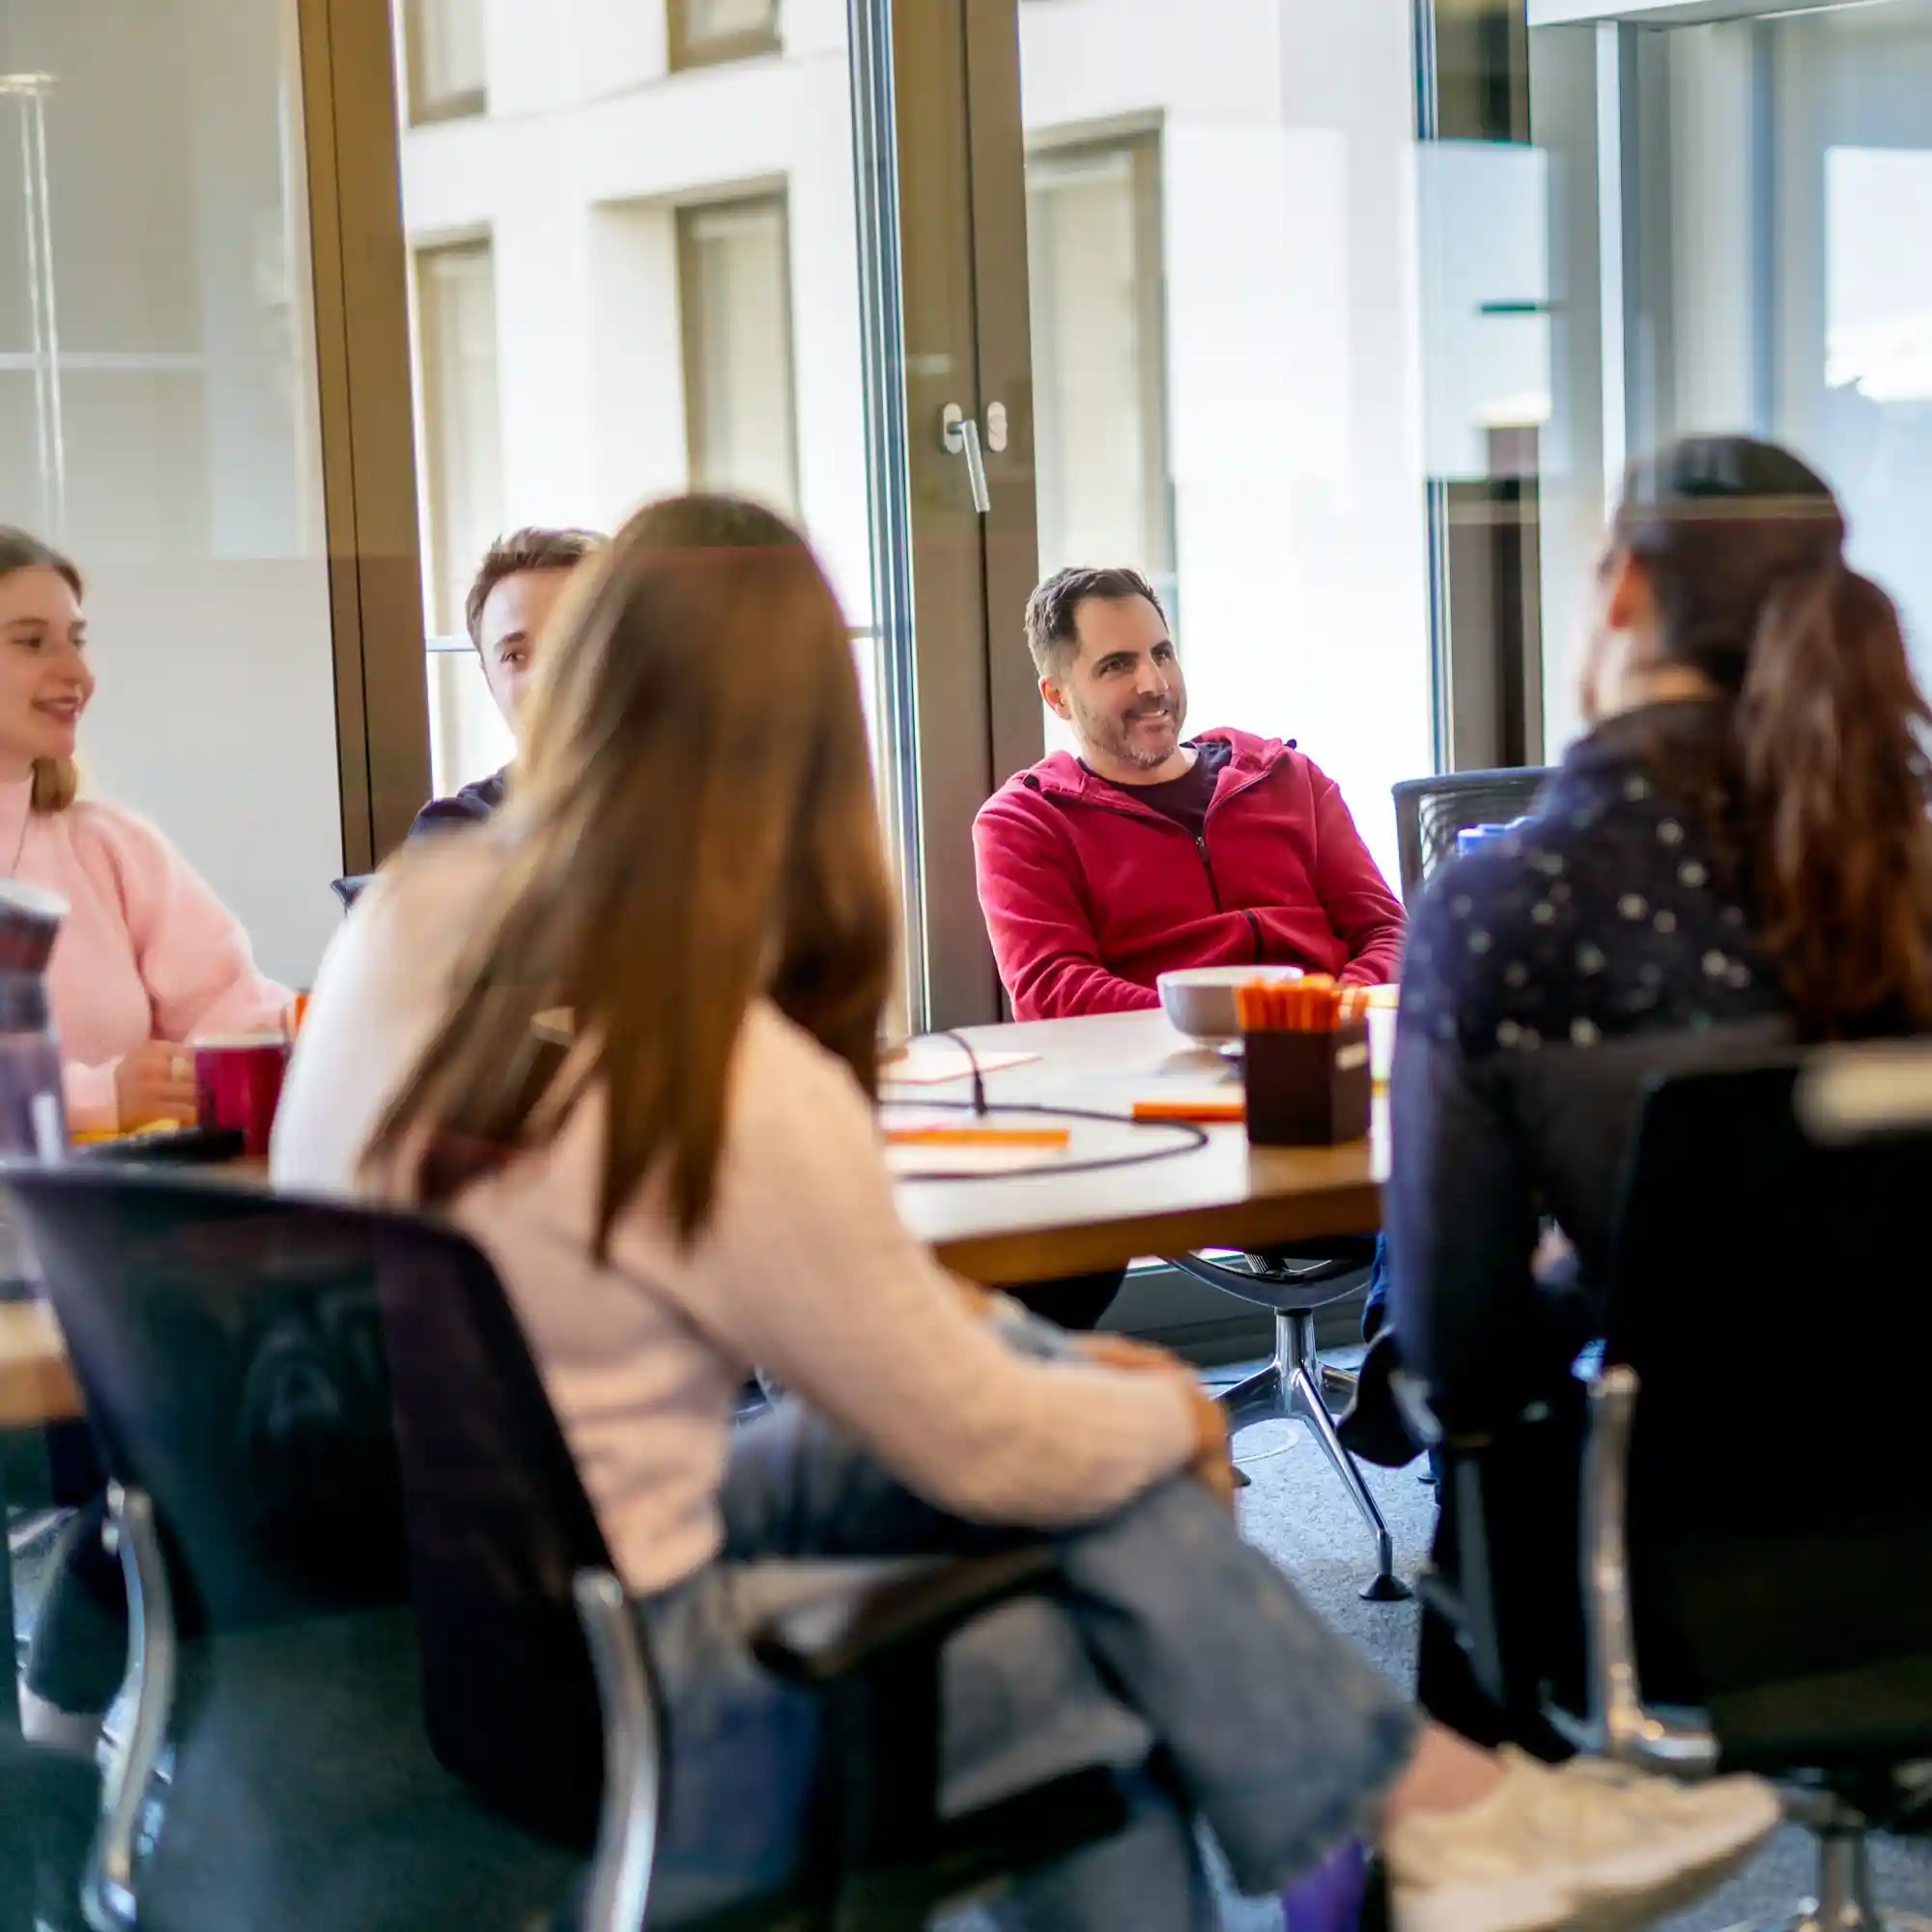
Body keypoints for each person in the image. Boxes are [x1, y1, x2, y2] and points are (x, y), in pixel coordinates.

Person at [273, 494, 1777, 1932]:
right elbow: (965, 1436)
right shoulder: (709, 1056)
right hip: (622, 1661)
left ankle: (1404, 1830)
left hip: (450, 1598)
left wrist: (1083, 1393)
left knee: (1070, 1424)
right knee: (1088, 1628)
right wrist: (1169, 1429)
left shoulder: (412, 916)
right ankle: (1408, 1831)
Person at [1378, 435, 1932, 1735]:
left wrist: (1594, 1273)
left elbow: (1461, 1358)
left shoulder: (1503, 906)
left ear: (1621, 586)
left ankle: (1476, 1871)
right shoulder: (1905, 878)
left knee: (1484, 1466)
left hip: (1674, 1577)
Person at [974, 566, 1405, 1331]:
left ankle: (1440, 1420)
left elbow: (1384, 931)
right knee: (1026, 1271)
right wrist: (1245, 1032)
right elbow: (1054, 992)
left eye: (1161, 654)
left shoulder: (1288, 778)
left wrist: (1323, 1019)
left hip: (1332, 1097)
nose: (1154, 683)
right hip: (1164, 1124)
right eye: (1116, 666)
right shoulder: (1024, 822)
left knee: (1479, 1177)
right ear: (1058, 697)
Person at [0, 529, 291, 1137]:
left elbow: (234, 1012)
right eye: (32, 642)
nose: (78, 672)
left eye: (76, 641)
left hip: (113, 1222)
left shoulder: (112, 848)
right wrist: (98, 1095)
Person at [411, 526, 603, 834]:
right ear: (488, 678)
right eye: (515, 656)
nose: (547, 676)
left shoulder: (696, 808)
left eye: (573, 643)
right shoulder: (456, 833)